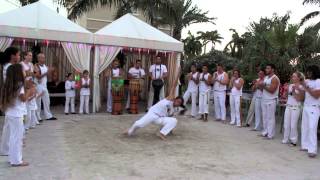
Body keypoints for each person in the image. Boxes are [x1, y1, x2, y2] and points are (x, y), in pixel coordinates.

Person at [124, 68, 184, 140]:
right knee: (139, 124)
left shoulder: (175, 109)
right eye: (177, 101)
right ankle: (129, 131)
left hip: (159, 118)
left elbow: (169, 118)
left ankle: (162, 133)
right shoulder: (170, 98)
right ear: (175, 99)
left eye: (179, 103)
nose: (177, 103)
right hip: (153, 113)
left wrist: (169, 129)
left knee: (174, 120)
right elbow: (174, 85)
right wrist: (178, 75)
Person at [0, 64, 34, 166]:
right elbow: (23, 99)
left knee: (13, 137)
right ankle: (16, 160)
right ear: (18, 73)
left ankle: (14, 156)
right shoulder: (19, 85)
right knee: (17, 137)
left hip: (10, 113)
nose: (25, 72)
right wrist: (30, 91)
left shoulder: (9, 84)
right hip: (17, 114)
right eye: (23, 70)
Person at [0, 47, 20, 156]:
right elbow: (14, 84)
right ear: (12, 56)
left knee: (8, 125)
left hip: (10, 97)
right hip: (12, 98)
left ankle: (5, 148)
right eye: (18, 55)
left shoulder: (8, 67)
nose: (18, 57)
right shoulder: (10, 67)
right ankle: (8, 148)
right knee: (12, 125)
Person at [301, 65, 320, 158]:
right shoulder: (307, 81)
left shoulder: (318, 81)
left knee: (312, 128)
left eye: (310, 71)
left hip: (314, 107)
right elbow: (302, 94)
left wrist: (306, 87)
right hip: (305, 106)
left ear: (314, 72)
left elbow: (316, 95)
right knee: (305, 127)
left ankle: (312, 150)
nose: (308, 73)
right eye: (307, 71)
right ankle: (305, 146)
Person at [282, 72, 305, 146]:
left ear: (299, 78)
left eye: (294, 76)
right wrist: (285, 90)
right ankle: (285, 139)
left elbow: (300, 99)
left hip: (296, 107)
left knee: (293, 125)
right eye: (292, 76)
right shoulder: (290, 85)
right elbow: (285, 96)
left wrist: (294, 91)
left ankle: (293, 141)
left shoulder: (301, 87)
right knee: (286, 124)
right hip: (288, 106)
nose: (292, 78)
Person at [258, 64, 280, 139]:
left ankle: (270, 134)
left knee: (270, 118)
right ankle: (265, 132)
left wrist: (263, 85)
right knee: (264, 116)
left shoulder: (275, 78)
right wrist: (259, 85)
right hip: (264, 99)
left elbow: (272, 90)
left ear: (272, 69)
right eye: (266, 68)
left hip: (271, 100)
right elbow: (262, 89)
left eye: (268, 68)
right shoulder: (266, 77)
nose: (266, 69)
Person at [34, 53, 57, 121]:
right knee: (38, 101)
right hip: (38, 86)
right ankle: (38, 117)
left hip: (44, 86)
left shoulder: (45, 66)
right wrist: (47, 72)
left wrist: (52, 72)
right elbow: (37, 76)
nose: (43, 59)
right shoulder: (36, 66)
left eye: (44, 58)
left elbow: (48, 77)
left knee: (47, 101)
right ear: (38, 59)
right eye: (42, 58)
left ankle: (48, 116)